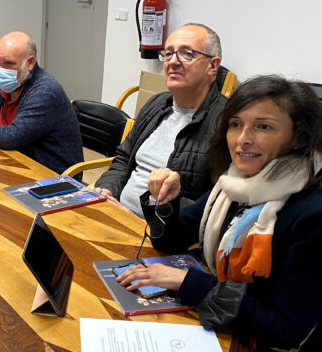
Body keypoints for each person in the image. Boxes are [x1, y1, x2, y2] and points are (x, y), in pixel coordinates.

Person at [117, 75, 322, 350]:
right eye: (235, 124)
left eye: (263, 126)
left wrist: (190, 282)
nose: (243, 139)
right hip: (223, 324)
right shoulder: (234, 185)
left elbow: (286, 328)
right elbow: (170, 241)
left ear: (298, 137)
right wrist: (165, 200)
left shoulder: (312, 215)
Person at [93, 23, 226, 217]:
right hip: (117, 213)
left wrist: (150, 216)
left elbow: (219, 206)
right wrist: (107, 189)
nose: (173, 61)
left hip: (161, 234)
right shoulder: (157, 103)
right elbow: (123, 158)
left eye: (187, 53)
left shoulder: (227, 122)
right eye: (169, 53)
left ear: (212, 66)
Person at [0, 31, 82, 174]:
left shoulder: (46, 91)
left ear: (30, 63)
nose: (0, 70)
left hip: (51, 175)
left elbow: (10, 137)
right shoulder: (0, 83)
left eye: (8, 63)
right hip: (13, 160)